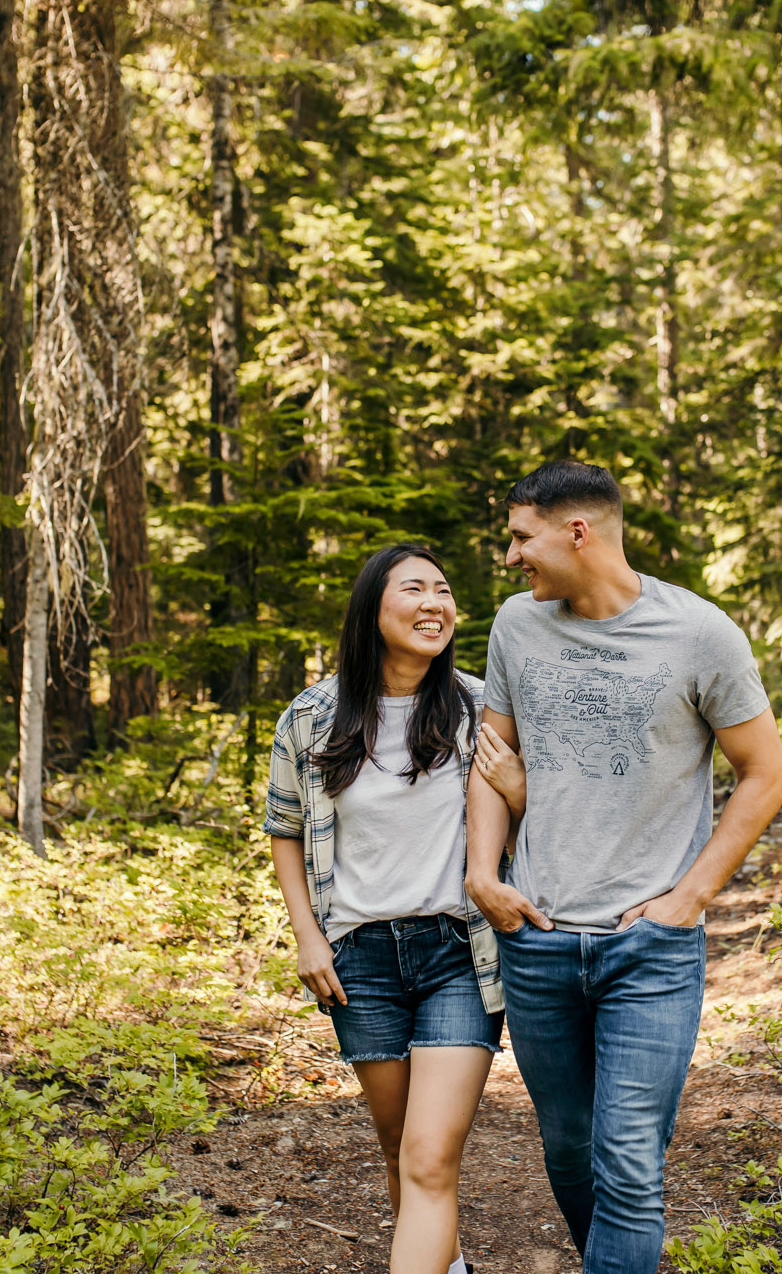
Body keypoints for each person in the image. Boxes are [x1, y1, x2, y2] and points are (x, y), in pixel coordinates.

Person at [464, 460, 782, 1274]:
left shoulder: (700, 634)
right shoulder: (516, 624)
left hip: (648, 948)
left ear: (577, 531)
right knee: (570, 1152)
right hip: (536, 939)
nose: (511, 557)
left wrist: (690, 896)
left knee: (632, 1167)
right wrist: (481, 873)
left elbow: (766, 772)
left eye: (520, 536)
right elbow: (490, 758)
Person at [266, 542, 528, 1274]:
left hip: (456, 951)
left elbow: (532, 815)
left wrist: (519, 785)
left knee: (428, 1149)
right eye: (413, 588)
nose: (433, 604)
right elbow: (285, 830)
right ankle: (447, 1262)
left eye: (443, 590)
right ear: (371, 609)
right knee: (396, 1144)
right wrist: (308, 938)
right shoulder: (313, 715)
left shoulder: (480, 707)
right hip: (360, 958)